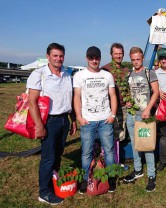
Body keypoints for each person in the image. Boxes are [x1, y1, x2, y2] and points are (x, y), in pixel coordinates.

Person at [27, 43, 77, 205]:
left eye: (61, 56)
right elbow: (32, 102)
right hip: (49, 121)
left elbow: (68, 99)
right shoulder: (39, 74)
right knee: (48, 157)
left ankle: (53, 183)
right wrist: (40, 126)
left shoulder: (67, 74)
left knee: (57, 154)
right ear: (48, 56)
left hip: (63, 119)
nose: (58, 59)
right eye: (55, 55)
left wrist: (73, 120)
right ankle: (44, 192)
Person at [73, 46, 117, 193]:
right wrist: (79, 117)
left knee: (109, 151)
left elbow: (113, 96)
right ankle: (86, 179)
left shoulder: (107, 75)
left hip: (105, 120)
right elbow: (77, 97)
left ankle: (111, 179)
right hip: (88, 121)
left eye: (96, 57)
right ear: (87, 58)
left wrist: (113, 115)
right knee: (86, 152)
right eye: (91, 58)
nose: (94, 60)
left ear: (100, 58)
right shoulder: (79, 76)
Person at [123, 47, 159, 192]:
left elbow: (156, 92)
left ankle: (151, 175)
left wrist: (148, 109)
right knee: (135, 144)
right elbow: (128, 93)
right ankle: (138, 170)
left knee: (147, 145)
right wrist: (128, 102)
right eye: (133, 59)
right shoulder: (129, 74)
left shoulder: (149, 73)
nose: (136, 62)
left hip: (144, 115)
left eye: (138, 59)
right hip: (132, 115)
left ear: (142, 58)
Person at [101, 43, 130, 166]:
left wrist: (129, 99)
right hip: (110, 109)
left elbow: (129, 88)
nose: (118, 56)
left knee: (120, 135)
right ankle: (109, 161)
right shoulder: (105, 70)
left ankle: (116, 160)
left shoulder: (126, 70)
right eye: (116, 53)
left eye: (120, 53)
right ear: (111, 54)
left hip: (123, 107)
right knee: (109, 135)